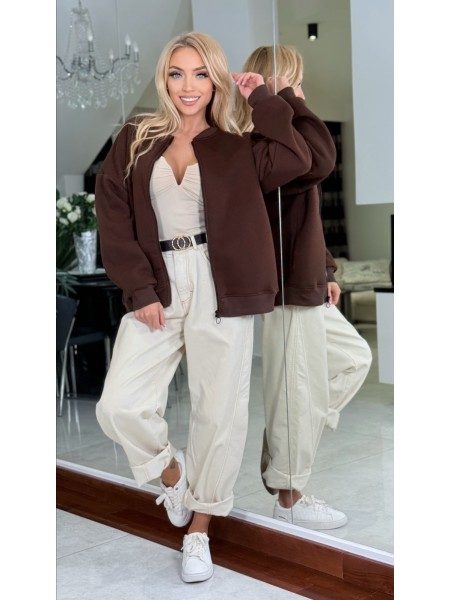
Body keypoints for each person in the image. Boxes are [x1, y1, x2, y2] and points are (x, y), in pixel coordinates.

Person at [94, 32, 316, 582]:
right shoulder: (136, 138)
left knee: (219, 410)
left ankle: (199, 530)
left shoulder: (238, 143)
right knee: (119, 405)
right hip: (159, 280)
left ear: (216, 79)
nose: (187, 85)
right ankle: (174, 477)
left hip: (221, 285)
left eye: (200, 73)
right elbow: (112, 212)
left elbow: (299, 156)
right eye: (176, 73)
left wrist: (262, 95)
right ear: (163, 79)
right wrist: (139, 288)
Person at [236, 45, 372, 530]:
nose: (302, 90)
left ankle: (287, 441)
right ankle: (289, 498)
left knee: (353, 359)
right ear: (274, 85)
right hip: (287, 287)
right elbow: (322, 160)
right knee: (297, 390)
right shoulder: (262, 144)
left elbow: (307, 214)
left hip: (308, 280)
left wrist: (327, 270)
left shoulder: (287, 136)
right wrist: (282, 101)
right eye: (295, 81)